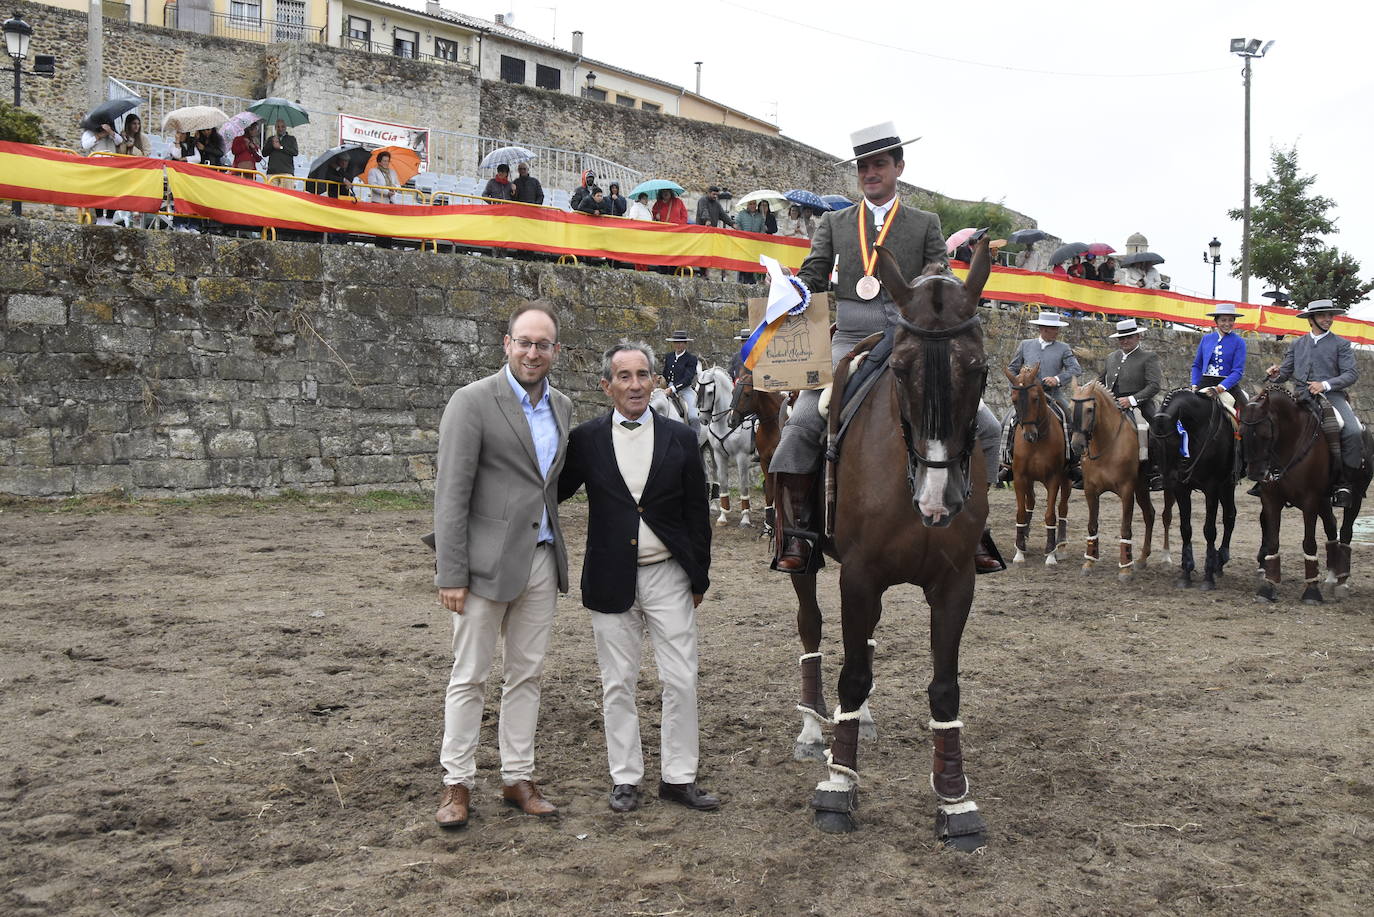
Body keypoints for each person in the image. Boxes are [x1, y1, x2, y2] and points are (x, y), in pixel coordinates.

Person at [770, 121, 959, 573]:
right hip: (851, 336)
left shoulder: (924, 223)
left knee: (984, 423)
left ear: (898, 167)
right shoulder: (836, 222)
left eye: (879, 164)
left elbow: (942, 276)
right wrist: (789, 286)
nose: (870, 172)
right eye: (863, 166)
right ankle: (800, 533)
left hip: (911, 335)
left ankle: (973, 528)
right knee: (800, 423)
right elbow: (815, 273)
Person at [558, 341, 718, 814]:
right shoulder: (586, 440)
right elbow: (552, 490)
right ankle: (625, 777)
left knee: (681, 679)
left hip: (669, 574)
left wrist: (699, 577)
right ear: (606, 385)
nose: (634, 384)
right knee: (618, 682)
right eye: (623, 376)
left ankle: (679, 777)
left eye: (642, 374)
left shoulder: (681, 437)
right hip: (610, 576)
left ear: (655, 381)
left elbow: (697, 512)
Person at [432, 301, 573, 830]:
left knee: (527, 675)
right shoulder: (471, 402)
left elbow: (548, 484)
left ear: (555, 352)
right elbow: (451, 494)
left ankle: (518, 777)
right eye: (524, 342)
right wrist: (451, 573)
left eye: (543, 344)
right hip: (483, 566)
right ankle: (457, 783)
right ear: (506, 345)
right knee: (469, 677)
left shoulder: (560, 404)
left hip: (540, 559)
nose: (532, 352)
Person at [1265, 299, 1363, 507]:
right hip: (1300, 397)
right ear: (1311, 320)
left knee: (1353, 431)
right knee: (1266, 422)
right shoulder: (1297, 343)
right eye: (1322, 316)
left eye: (1330, 315)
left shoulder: (1341, 344)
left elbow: (1351, 374)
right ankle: (1268, 474)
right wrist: (1276, 374)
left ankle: (1344, 483)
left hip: (1331, 396)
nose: (1327, 319)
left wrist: (1325, 384)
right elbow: (1286, 373)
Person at [1102, 318, 1164, 491]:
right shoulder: (1111, 357)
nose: (1125, 341)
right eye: (1121, 338)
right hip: (1113, 403)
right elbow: (1101, 381)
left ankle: (1155, 471)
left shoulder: (1148, 357)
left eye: (1129, 337)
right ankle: (1085, 467)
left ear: (1138, 337)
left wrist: (1132, 400)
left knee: (1154, 430)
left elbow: (1154, 385)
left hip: (1140, 403)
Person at [1190, 302, 1248, 417]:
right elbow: (1197, 365)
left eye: (1230, 320)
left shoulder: (1239, 342)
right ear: (1216, 321)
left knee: (1248, 415)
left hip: (1228, 385)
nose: (1227, 323)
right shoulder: (1206, 339)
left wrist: (1219, 388)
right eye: (1223, 320)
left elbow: (1237, 371)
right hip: (1205, 381)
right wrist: (1195, 384)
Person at [80, 120, 123, 225]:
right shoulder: (89, 133)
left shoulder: (112, 132)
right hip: (97, 166)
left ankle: (109, 219)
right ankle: (100, 218)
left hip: (111, 166)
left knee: (113, 192)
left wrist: (111, 132)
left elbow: (119, 141)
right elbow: (85, 145)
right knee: (99, 191)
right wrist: (99, 136)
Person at [662, 331, 699, 431]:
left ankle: (695, 439)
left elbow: (687, 379)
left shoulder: (691, 359)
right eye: (676, 342)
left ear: (685, 344)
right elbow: (665, 373)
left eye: (680, 342)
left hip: (684, 390)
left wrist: (673, 388)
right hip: (667, 388)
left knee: (693, 416)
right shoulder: (669, 356)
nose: (678, 345)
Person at [366, 151, 401, 249]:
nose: (386, 163)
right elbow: (373, 186)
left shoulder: (392, 172)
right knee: (380, 224)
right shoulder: (373, 171)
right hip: (379, 201)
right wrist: (387, 192)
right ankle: (379, 245)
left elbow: (398, 184)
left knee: (389, 224)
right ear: (379, 162)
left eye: (387, 161)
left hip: (390, 202)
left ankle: (388, 244)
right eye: (384, 161)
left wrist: (394, 188)